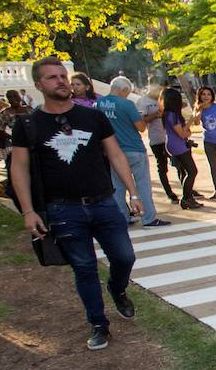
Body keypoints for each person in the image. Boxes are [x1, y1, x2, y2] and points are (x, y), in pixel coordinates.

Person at [9, 57, 143, 351]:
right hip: (63, 209)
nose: (61, 81)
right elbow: (18, 168)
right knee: (84, 268)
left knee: (124, 257)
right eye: (52, 78)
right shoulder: (28, 124)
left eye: (63, 76)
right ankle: (98, 324)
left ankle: (117, 289)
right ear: (39, 85)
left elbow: (116, 155)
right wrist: (29, 211)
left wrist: (133, 193)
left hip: (103, 202)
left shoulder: (92, 117)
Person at [96, 78, 168, 227]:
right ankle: (149, 218)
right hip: (133, 148)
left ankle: (122, 217)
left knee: (118, 186)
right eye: (127, 92)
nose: (127, 95)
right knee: (142, 184)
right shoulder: (126, 104)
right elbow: (141, 126)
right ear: (123, 90)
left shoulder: (99, 104)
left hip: (112, 150)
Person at [160, 88, 203, 210]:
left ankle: (188, 198)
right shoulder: (172, 115)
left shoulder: (168, 114)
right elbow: (183, 133)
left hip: (174, 144)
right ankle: (186, 198)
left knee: (186, 171)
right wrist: (192, 119)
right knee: (192, 171)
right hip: (178, 145)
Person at [135, 83, 177, 204]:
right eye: (159, 89)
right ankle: (169, 193)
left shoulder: (163, 98)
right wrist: (157, 113)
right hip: (156, 140)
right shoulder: (142, 101)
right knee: (163, 167)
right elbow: (141, 121)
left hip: (171, 138)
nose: (160, 91)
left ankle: (188, 189)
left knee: (181, 164)